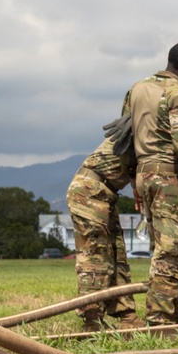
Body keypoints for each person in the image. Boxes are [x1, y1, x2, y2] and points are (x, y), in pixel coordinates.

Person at [127, 41, 178, 325]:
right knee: (174, 250)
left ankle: (173, 314)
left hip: (144, 173)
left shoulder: (137, 89)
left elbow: (125, 137)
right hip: (170, 177)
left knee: (161, 246)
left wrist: (134, 182)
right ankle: (160, 320)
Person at [66, 137, 144, 332]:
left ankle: (126, 315)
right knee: (96, 257)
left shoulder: (142, 128)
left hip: (104, 192)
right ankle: (92, 321)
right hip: (89, 191)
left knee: (116, 256)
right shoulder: (140, 130)